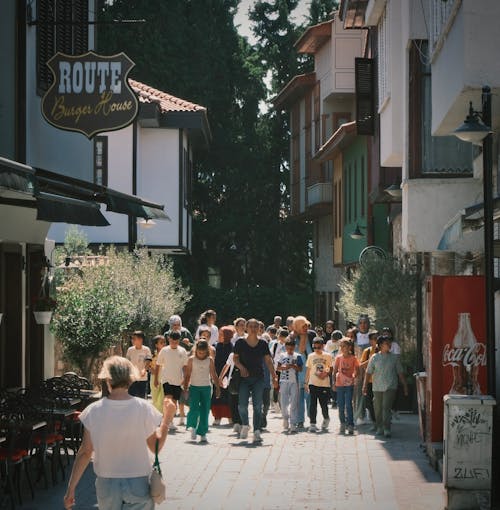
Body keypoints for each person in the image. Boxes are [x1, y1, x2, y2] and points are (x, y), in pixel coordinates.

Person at [63, 356, 176, 510]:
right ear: (131, 379)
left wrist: (71, 489)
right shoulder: (143, 408)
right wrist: (167, 419)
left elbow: (85, 452)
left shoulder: (93, 411)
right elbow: (155, 446)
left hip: (107, 484)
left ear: (107, 379)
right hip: (138, 483)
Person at [233, 318, 278, 443]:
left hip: (259, 378)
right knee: (242, 405)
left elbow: (268, 361)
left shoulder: (263, 343)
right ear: (246, 328)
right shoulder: (240, 342)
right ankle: (245, 425)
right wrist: (241, 367)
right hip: (243, 379)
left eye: (255, 326)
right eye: (251, 326)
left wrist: (274, 376)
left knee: (258, 406)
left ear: (259, 329)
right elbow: (235, 359)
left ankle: (257, 431)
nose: (253, 329)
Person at [363, 335, 408, 438]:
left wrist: (405, 385)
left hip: (391, 386)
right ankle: (380, 427)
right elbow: (368, 372)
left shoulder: (394, 358)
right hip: (377, 386)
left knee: (386, 408)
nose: (389, 345)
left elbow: (400, 372)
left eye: (389, 343)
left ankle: (387, 428)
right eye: (386, 343)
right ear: (380, 345)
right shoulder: (374, 358)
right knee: (377, 408)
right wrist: (364, 386)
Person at [183, 340, 220, 442]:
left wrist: (217, 388)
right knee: (194, 409)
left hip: (206, 388)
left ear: (207, 351)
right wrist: (185, 389)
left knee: (205, 410)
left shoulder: (210, 360)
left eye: (204, 352)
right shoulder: (191, 360)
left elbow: (213, 374)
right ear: (196, 350)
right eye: (199, 352)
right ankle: (193, 427)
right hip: (194, 387)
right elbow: (187, 375)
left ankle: (202, 432)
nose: (201, 354)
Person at [155, 330, 188, 430]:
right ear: (169, 339)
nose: (174, 343)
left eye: (176, 341)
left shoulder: (182, 351)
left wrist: (185, 379)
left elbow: (185, 366)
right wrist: (156, 379)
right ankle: (167, 420)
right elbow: (158, 365)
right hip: (166, 380)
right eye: (172, 341)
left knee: (174, 402)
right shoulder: (164, 350)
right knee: (168, 400)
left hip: (178, 381)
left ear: (179, 340)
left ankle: (169, 420)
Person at [304, 337, 333, 432]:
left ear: (323, 346)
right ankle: (312, 423)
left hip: (324, 384)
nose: (317, 349)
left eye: (319, 347)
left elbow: (331, 368)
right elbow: (308, 370)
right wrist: (306, 382)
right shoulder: (311, 356)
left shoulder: (327, 356)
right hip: (313, 383)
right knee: (312, 404)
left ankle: (326, 418)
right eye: (315, 347)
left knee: (323, 404)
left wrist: (326, 372)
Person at [333, 338, 360, 435]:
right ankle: (342, 423)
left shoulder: (353, 358)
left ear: (349, 347)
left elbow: (357, 370)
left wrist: (354, 375)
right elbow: (335, 370)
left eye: (344, 346)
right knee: (340, 405)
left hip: (349, 384)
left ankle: (351, 424)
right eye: (341, 346)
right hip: (339, 384)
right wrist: (333, 383)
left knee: (348, 405)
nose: (342, 348)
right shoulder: (338, 358)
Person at [276, 338, 303, 432]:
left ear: (294, 347)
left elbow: (300, 369)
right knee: (283, 403)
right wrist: (284, 367)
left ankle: (293, 423)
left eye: (292, 347)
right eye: (288, 347)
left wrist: (292, 366)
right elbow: (278, 367)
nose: (290, 349)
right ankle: (285, 418)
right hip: (283, 381)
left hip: (294, 382)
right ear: (285, 347)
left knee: (294, 403)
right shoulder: (282, 355)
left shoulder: (298, 356)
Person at [292, 316, 314, 428]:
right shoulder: (292, 338)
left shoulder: (311, 336)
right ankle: (300, 420)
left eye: (306, 325)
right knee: (299, 398)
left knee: (309, 396)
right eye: (303, 326)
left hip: (309, 371)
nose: (306, 328)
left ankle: (312, 417)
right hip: (297, 372)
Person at [211, 326, 234, 425]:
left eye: (221, 334)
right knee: (217, 396)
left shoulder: (232, 347)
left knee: (228, 397)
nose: (219, 336)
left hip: (227, 376)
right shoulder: (216, 346)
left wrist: (225, 377)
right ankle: (217, 417)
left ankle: (230, 417)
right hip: (216, 375)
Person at [218, 351, 242, 434]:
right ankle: (237, 423)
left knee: (241, 403)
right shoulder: (232, 355)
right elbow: (227, 365)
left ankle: (241, 422)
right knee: (233, 403)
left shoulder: (248, 353)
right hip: (233, 382)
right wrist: (221, 377)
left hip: (244, 382)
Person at [360, 331, 379, 428]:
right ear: (370, 341)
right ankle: (374, 422)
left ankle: (381, 422)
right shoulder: (367, 351)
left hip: (380, 381)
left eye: (378, 338)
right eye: (374, 338)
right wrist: (371, 359)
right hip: (370, 381)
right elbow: (361, 365)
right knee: (369, 403)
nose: (377, 340)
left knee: (379, 403)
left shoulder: (383, 350)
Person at [126, 331, 152, 399]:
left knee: (141, 398)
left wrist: (144, 370)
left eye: (134, 338)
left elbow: (148, 361)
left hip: (142, 378)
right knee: (131, 398)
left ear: (140, 339)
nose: (132, 340)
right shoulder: (130, 350)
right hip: (132, 378)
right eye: (132, 338)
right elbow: (127, 362)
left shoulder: (146, 349)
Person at [150, 335, 166, 412]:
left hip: (164, 376)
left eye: (164, 342)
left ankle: (161, 415)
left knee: (162, 397)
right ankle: (155, 415)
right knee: (155, 397)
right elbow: (147, 365)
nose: (164, 344)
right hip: (154, 377)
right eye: (161, 342)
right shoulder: (152, 354)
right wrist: (151, 369)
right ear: (156, 345)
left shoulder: (167, 353)